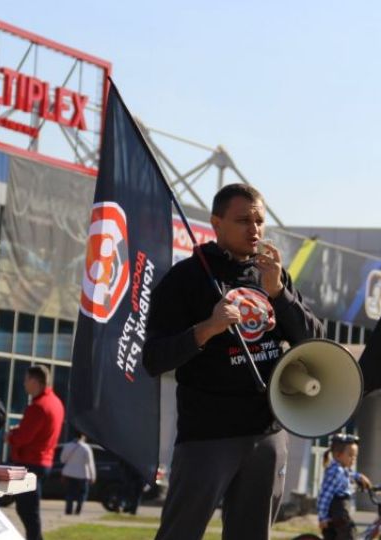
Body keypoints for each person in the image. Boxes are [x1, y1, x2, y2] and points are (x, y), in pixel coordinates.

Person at [144, 184, 324, 540]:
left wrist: (279, 294)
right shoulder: (186, 279)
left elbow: (316, 341)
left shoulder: (272, 275)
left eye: (259, 220)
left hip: (268, 432)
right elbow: (154, 359)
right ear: (216, 223)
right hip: (208, 435)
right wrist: (207, 329)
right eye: (243, 220)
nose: (254, 229)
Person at [7, 365, 65, 540]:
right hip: (43, 461)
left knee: (28, 512)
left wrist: (10, 435)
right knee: (28, 510)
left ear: (35, 381)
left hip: (31, 462)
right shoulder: (56, 402)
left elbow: (24, 437)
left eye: (26, 380)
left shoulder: (39, 406)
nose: (24, 384)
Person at [316, 434, 371, 540]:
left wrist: (360, 476)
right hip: (338, 511)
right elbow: (325, 496)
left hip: (342, 510)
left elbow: (350, 474)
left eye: (355, 456)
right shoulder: (336, 471)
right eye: (350, 455)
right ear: (337, 455)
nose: (353, 459)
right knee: (349, 535)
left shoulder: (342, 468)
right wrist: (322, 517)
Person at [60, 433, 96, 515]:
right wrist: (92, 476)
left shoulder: (67, 446)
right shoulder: (86, 447)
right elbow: (90, 463)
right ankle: (78, 510)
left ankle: (68, 510)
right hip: (82, 474)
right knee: (82, 494)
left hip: (68, 473)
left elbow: (62, 459)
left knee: (69, 493)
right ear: (83, 437)